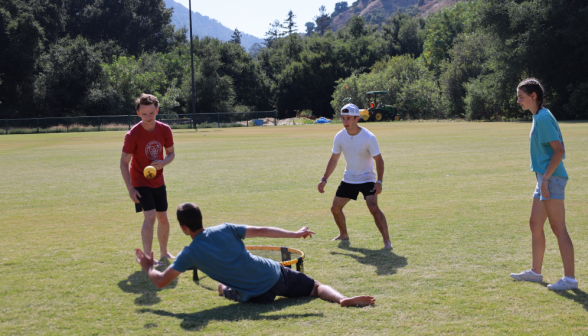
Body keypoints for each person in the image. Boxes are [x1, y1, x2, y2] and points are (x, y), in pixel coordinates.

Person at [134, 202, 376, 307]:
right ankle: (341, 299)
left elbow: (161, 281)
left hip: (255, 296)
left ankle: (225, 290)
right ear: (201, 219)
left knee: (221, 286)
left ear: (183, 228)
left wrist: (148, 267)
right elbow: (261, 230)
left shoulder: (189, 254)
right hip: (274, 275)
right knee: (314, 287)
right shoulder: (225, 228)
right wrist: (294, 234)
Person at [510, 78, 577, 291]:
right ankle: (535, 272)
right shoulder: (539, 116)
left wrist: (546, 178)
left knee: (559, 228)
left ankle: (570, 279)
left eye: (521, 97)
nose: (518, 100)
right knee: (535, 224)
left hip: (551, 178)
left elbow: (559, 151)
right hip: (544, 178)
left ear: (533, 96)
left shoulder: (543, 118)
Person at [317, 103, 392, 249]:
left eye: (349, 118)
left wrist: (379, 181)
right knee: (335, 209)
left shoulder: (368, 137)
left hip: (367, 178)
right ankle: (343, 234)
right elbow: (334, 159)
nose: (345, 122)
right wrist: (324, 178)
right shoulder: (339, 136)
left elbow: (379, 160)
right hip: (349, 178)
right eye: (343, 118)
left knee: (373, 207)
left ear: (357, 119)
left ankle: (387, 241)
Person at [121, 93, 176, 266]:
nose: (148, 117)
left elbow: (171, 153)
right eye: (144, 114)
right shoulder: (132, 135)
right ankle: (147, 258)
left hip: (158, 180)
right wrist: (130, 188)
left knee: (163, 218)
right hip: (140, 180)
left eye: (151, 113)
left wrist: (163, 162)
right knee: (150, 216)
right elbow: (123, 163)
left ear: (157, 111)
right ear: (138, 113)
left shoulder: (165, 129)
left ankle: (164, 253)